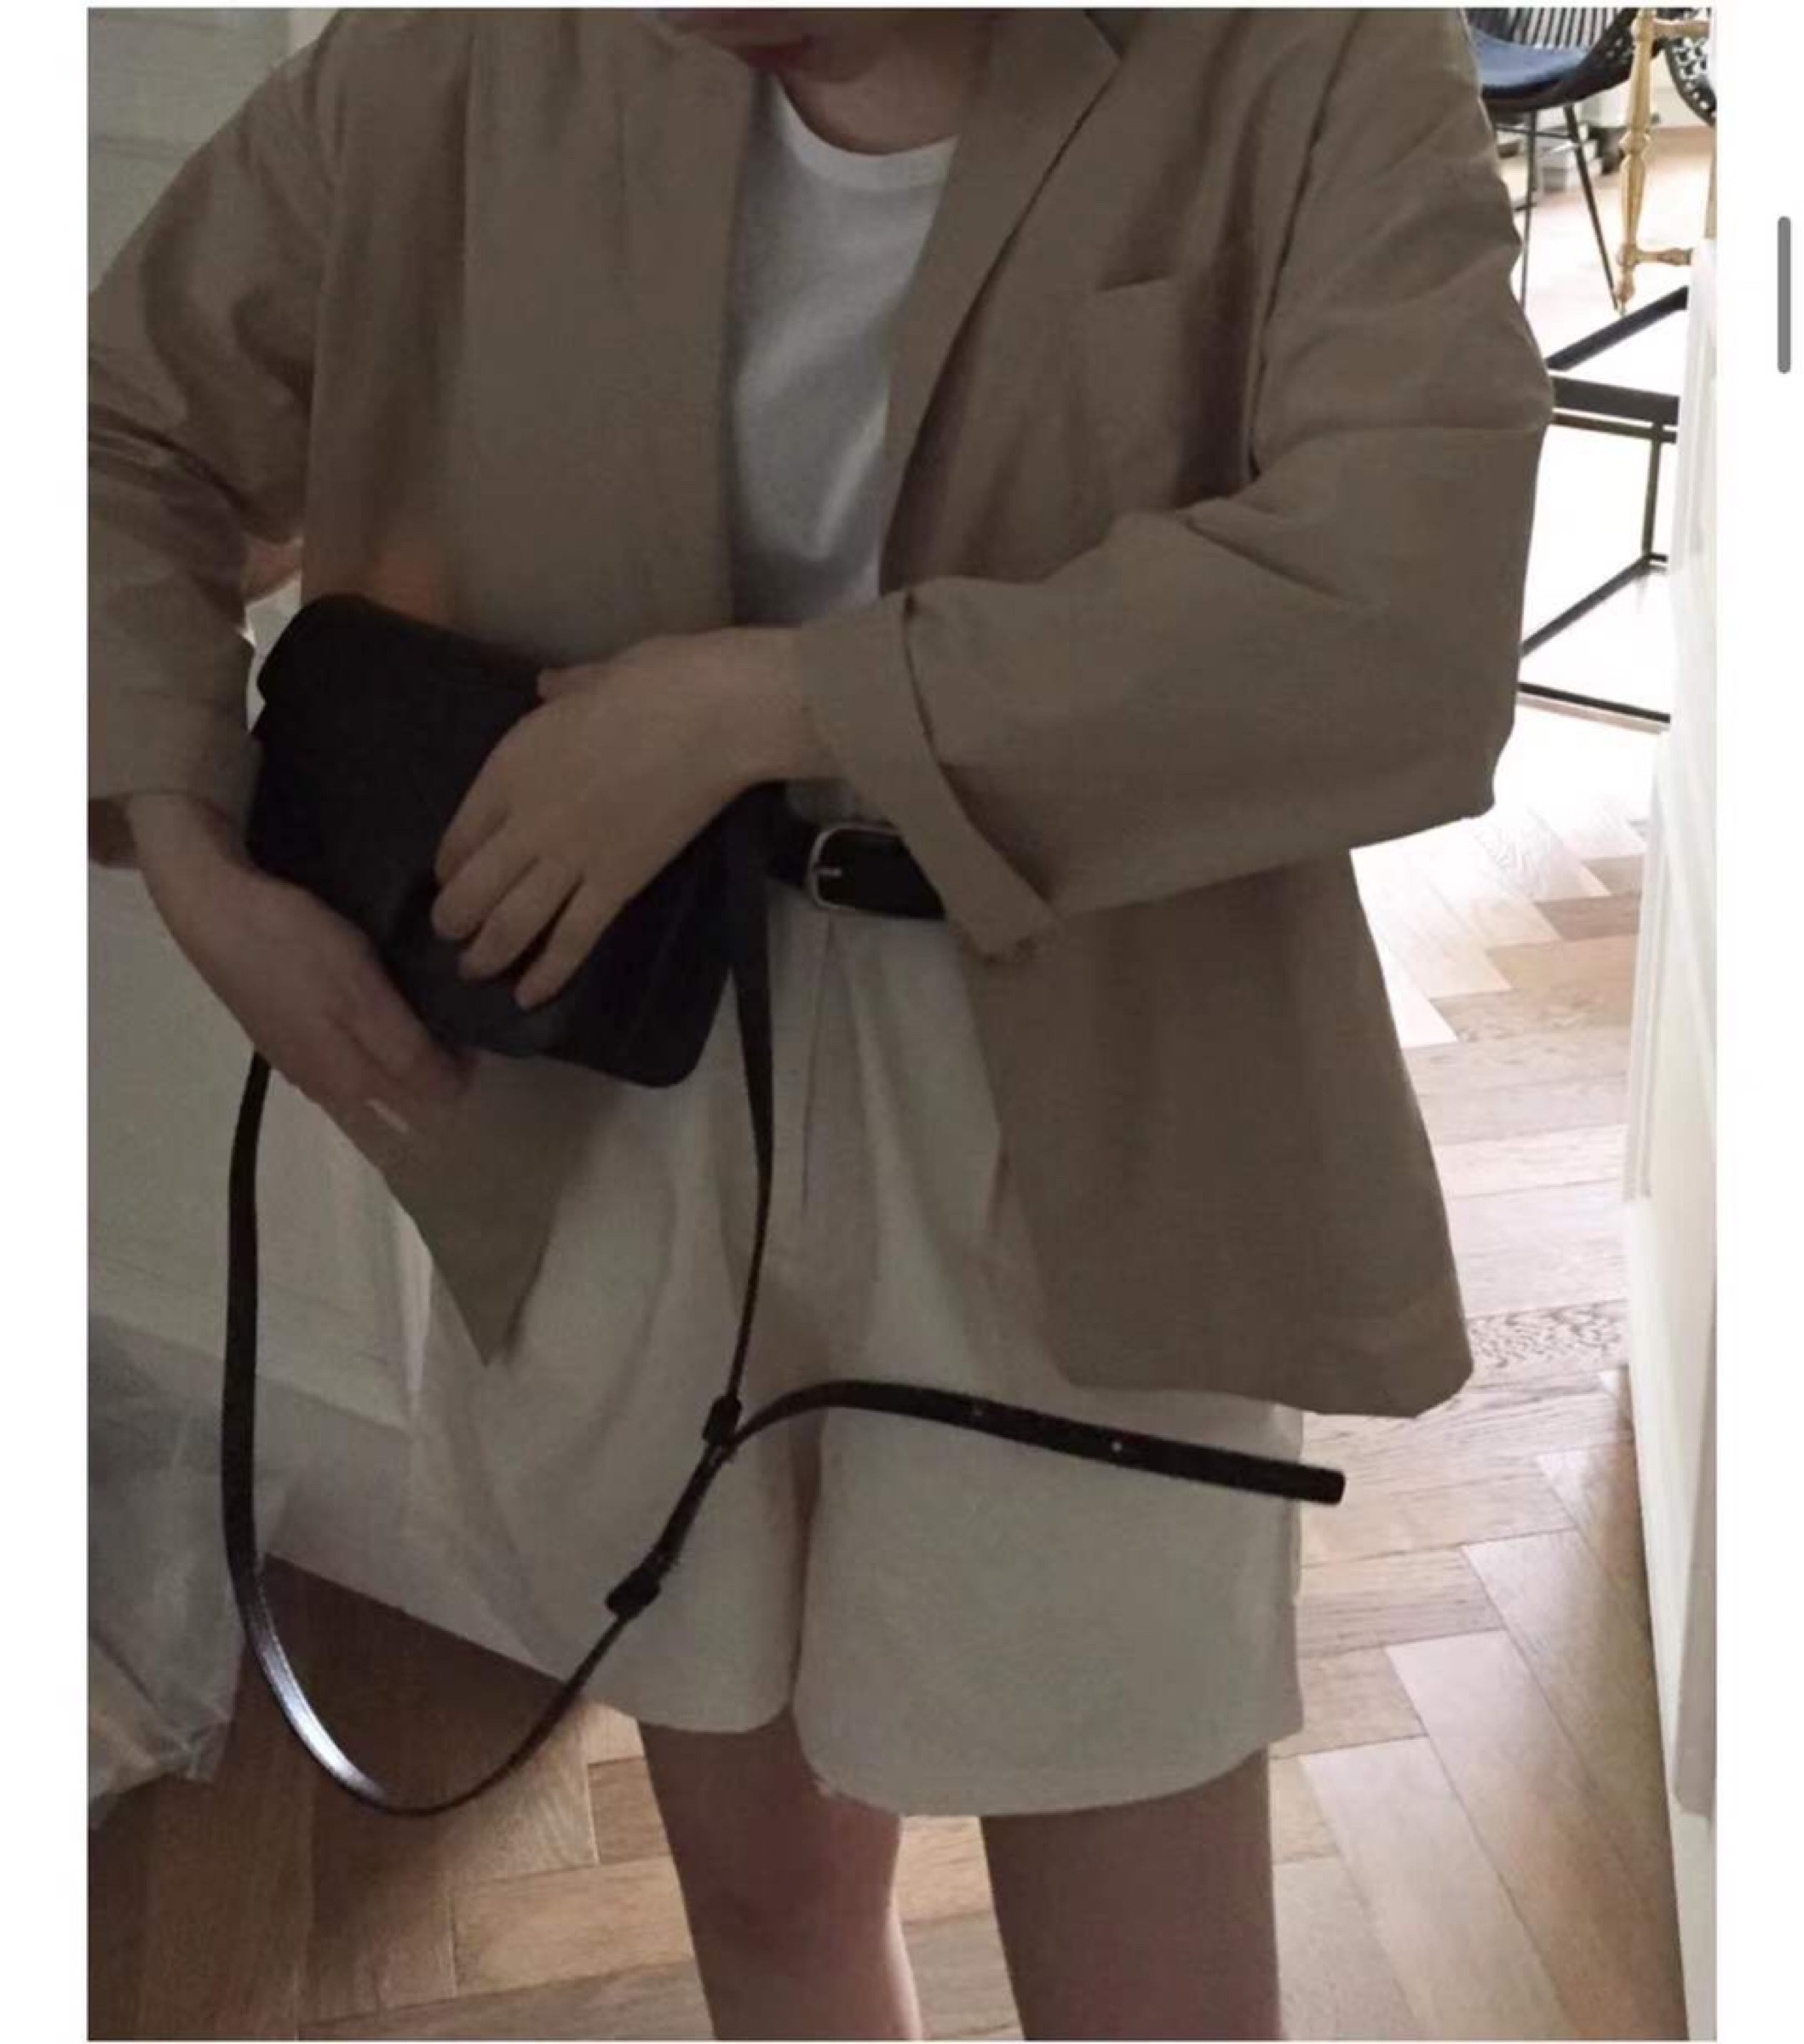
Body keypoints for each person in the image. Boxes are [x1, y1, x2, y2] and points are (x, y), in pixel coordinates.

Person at [89, 8, 1551, 2037]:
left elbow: (1404, 616)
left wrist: (771, 707)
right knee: (767, 1890)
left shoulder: (1303, 54)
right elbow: (117, 426)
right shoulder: (462, 55)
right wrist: (192, 858)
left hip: (1100, 1089)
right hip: (608, 1079)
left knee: (1147, 1949)